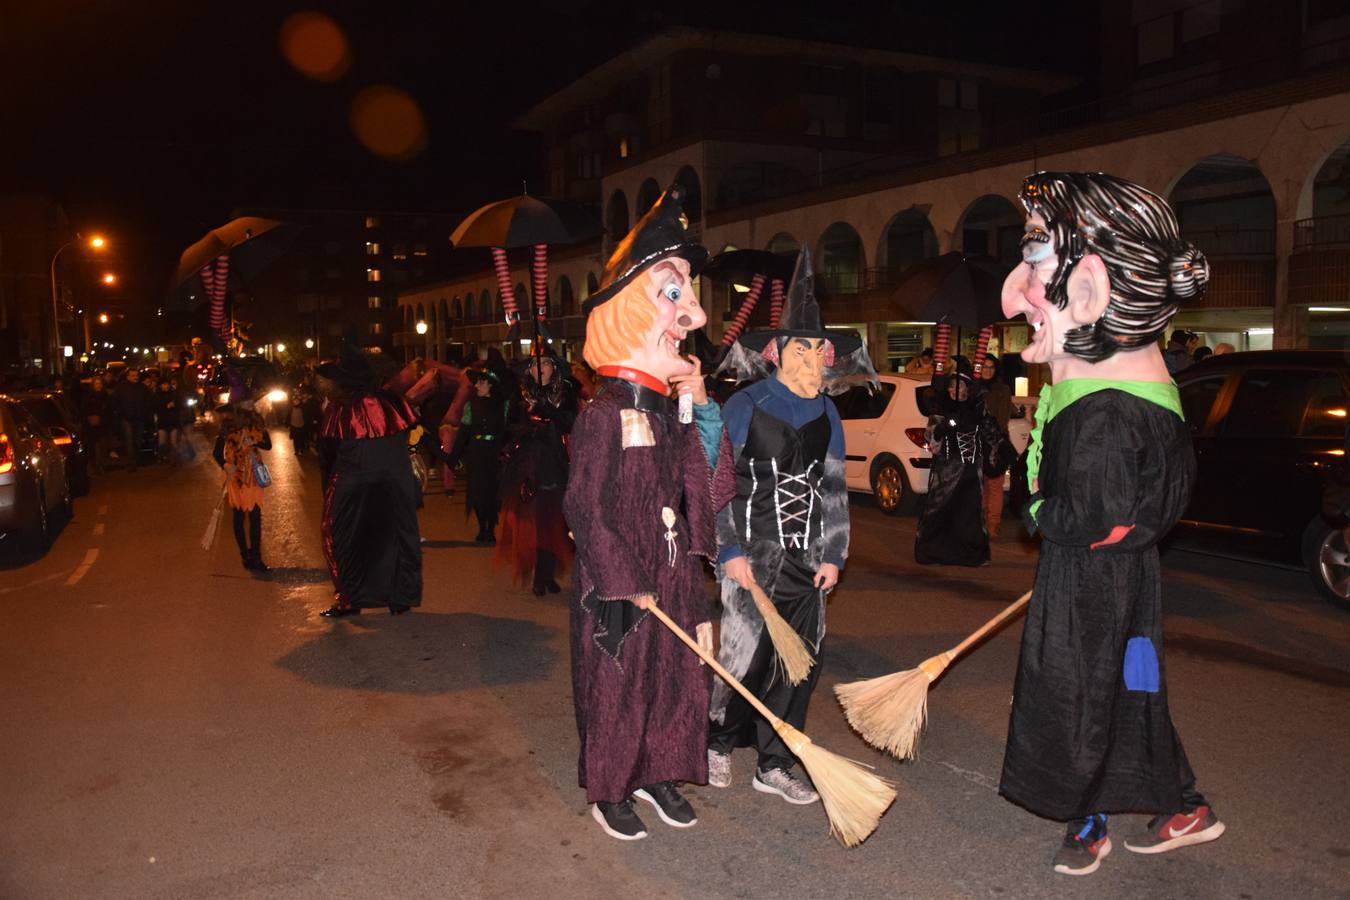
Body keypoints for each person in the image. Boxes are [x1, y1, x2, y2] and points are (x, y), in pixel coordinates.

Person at [999, 171, 1225, 876]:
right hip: (1127, 584)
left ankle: (1089, 820)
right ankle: (1182, 803)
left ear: (1091, 288)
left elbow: (1086, 517)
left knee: (1080, 691)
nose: (1015, 295)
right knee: (1133, 689)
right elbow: (1147, 506)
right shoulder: (1142, 398)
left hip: (1089, 590)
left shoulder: (1103, 415)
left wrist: (1033, 502)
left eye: (1034, 257)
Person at [564, 183, 733, 841]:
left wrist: (698, 405)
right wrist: (617, 573)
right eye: (673, 293)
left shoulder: (671, 411)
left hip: (671, 571)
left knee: (672, 676)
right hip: (621, 578)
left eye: (690, 295)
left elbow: (707, 487)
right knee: (618, 680)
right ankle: (612, 786)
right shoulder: (603, 414)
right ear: (628, 310)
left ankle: (659, 769)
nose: (691, 316)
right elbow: (582, 503)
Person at [708, 247, 875, 805]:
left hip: (806, 558)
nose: (810, 359)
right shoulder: (745, 404)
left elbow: (832, 487)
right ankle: (718, 741)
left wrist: (834, 554)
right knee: (744, 654)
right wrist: (727, 547)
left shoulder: (827, 412)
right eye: (798, 347)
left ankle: (775, 760)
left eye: (817, 349)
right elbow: (717, 481)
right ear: (776, 352)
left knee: (800, 662)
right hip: (752, 553)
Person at [315, 343, 423, 618]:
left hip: (354, 478)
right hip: (394, 479)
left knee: (342, 535)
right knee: (397, 535)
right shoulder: (392, 402)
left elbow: (328, 453)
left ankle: (350, 599)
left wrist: (329, 487)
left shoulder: (341, 408)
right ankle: (401, 597)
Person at [914, 356, 1011, 566]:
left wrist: (1002, 448)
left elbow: (991, 430)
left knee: (969, 512)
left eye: (959, 387)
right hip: (947, 468)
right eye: (951, 386)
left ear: (967, 389)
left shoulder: (977, 408)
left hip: (970, 469)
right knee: (940, 508)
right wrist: (946, 425)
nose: (954, 390)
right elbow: (931, 436)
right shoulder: (941, 408)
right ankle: (933, 552)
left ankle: (970, 555)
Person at [499, 339, 577, 594]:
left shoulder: (564, 393)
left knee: (555, 519)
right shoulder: (521, 396)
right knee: (534, 519)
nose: (540, 368)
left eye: (545, 363)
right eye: (535, 364)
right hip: (529, 465)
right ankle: (539, 576)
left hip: (556, 461)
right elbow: (510, 428)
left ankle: (547, 573)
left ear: (554, 367)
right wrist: (530, 428)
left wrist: (550, 413)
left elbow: (570, 422)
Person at [447, 367, 508, 544]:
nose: (477, 385)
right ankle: (483, 528)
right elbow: (463, 433)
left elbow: (505, 431)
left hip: (495, 454)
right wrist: (454, 455)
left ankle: (491, 528)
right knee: (478, 492)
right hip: (476, 452)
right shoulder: (470, 405)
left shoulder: (503, 405)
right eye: (476, 382)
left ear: (491, 385)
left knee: (493, 493)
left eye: (481, 382)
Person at [212, 405, 271, 571]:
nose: (251, 404)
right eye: (248, 401)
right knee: (238, 517)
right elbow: (217, 453)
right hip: (237, 478)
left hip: (253, 477)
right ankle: (245, 554)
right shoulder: (228, 427)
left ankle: (256, 557)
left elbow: (268, 445)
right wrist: (225, 465)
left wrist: (254, 440)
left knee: (255, 517)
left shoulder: (256, 422)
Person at [981, 353, 1014, 537]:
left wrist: (993, 439)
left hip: (996, 443)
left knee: (994, 484)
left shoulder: (1002, 389)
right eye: (984, 367)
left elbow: (1003, 419)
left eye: (991, 367)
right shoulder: (974, 388)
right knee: (980, 484)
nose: (987, 371)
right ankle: (981, 520)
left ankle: (993, 523)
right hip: (977, 442)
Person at [112, 367, 153, 471]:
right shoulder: (121, 388)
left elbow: (148, 402)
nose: (135, 377)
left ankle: (135, 460)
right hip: (127, 418)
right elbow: (115, 402)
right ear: (128, 376)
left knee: (137, 440)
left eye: (136, 375)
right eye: (133, 375)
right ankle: (131, 462)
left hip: (139, 418)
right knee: (129, 440)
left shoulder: (142, 388)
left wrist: (145, 414)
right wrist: (121, 413)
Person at [81, 375, 112, 474]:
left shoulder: (105, 395)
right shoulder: (89, 396)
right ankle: (97, 465)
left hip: (104, 423)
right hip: (93, 424)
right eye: (96, 384)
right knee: (95, 445)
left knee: (103, 445)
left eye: (100, 384)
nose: (98, 386)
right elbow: (85, 410)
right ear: (93, 385)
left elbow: (110, 408)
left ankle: (101, 463)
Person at [155, 378, 182, 463]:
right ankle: (162, 457)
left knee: (174, 443)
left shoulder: (174, 394)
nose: (166, 386)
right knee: (162, 443)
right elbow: (155, 408)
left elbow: (180, 405)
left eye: (167, 384)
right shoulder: (156, 395)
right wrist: (165, 407)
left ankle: (173, 459)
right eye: (164, 384)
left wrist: (175, 405)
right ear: (160, 386)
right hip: (162, 422)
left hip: (173, 421)